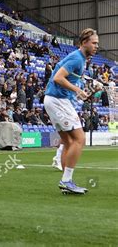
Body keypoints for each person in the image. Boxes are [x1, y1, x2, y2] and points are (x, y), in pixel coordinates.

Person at [44, 28, 99, 194]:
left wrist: (82, 92)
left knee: (68, 142)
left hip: (56, 100)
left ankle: (66, 182)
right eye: (94, 43)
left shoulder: (81, 60)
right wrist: (77, 90)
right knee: (80, 139)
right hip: (57, 100)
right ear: (84, 43)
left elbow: (66, 81)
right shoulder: (77, 58)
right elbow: (58, 78)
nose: (97, 46)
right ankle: (66, 180)